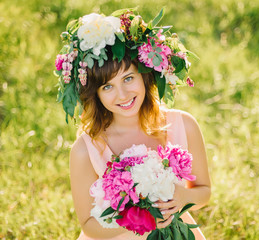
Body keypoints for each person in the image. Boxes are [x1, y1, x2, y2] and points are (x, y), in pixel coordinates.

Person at [55, 9, 211, 240]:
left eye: (128, 78)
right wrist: (139, 220)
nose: (122, 95)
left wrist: (181, 197)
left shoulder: (184, 125)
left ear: (145, 76)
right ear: (95, 94)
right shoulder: (86, 149)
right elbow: (88, 225)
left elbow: (204, 193)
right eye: (107, 87)